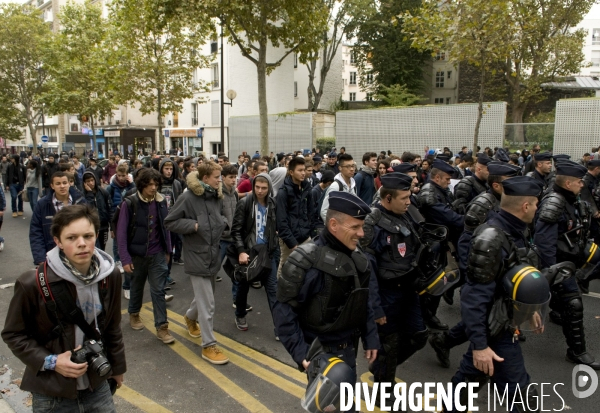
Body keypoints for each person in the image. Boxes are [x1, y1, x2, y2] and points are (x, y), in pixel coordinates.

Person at [2, 205, 126, 411]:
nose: (82, 244)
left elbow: (113, 327)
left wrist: (118, 368)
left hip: (97, 386)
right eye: (71, 238)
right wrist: (51, 361)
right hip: (52, 392)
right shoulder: (31, 283)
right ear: (57, 241)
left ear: (97, 235)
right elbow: (13, 334)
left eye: (88, 236)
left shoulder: (110, 276)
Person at [443, 176, 548, 412]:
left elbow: (512, 279)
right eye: (535, 204)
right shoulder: (491, 239)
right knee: (521, 398)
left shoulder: (516, 231)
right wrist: (480, 345)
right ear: (525, 206)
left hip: (501, 323)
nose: (538, 208)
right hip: (497, 330)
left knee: (466, 386)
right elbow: (473, 298)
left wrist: (528, 311)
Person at [274, 191, 379, 405]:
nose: (361, 234)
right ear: (333, 225)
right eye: (355, 227)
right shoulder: (304, 262)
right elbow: (283, 310)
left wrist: (371, 337)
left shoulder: (356, 257)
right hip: (321, 355)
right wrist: (302, 355)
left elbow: (362, 300)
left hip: (349, 350)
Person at [360, 173, 429, 402]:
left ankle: (381, 367)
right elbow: (367, 271)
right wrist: (375, 309)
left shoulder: (407, 214)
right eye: (404, 198)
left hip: (408, 290)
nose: (409, 201)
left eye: (409, 196)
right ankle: (383, 394)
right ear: (388, 198)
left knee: (419, 335)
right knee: (389, 345)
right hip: (387, 294)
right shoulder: (372, 223)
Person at [533, 162, 600, 369]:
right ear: (568, 182)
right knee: (574, 303)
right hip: (559, 264)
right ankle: (577, 352)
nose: (583, 184)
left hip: (570, 260)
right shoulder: (555, 202)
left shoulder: (571, 199)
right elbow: (544, 243)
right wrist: (553, 273)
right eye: (579, 181)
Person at [164, 161, 230, 365]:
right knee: (208, 303)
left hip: (212, 254)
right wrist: (193, 225)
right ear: (205, 178)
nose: (220, 180)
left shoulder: (216, 196)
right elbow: (169, 221)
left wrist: (223, 223)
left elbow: (222, 217)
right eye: (217, 177)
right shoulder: (188, 197)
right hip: (196, 255)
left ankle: (190, 317)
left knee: (204, 297)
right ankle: (208, 345)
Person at [117, 168, 174, 345]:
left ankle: (162, 327)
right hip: (137, 255)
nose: (153, 188)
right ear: (141, 185)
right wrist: (125, 259)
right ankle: (134, 313)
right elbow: (121, 233)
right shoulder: (130, 203)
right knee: (137, 287)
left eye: (156, 184)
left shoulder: (161, 202)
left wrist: (168, 251)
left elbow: (166, 227)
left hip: (157, 253)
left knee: (158, 290)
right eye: (149, 184)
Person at [417, 159, 464, 330]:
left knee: (439, 282)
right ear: (436, 177)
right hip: (431, 245)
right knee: (432, 284)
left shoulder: (440, 190)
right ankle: (424, 319)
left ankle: (429, 317)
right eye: (446, 179)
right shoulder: (429, 193)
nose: (449, 182)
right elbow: (448, 217)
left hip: (441, 243)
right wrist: (465, 221)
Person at [230, 173, 279, 332]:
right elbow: (236, 230)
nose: (260, 191)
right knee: (243, 287)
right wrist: (241, 251)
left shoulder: (272, 203)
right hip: (249, 252)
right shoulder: (244, 203)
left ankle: (279, 326)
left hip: (267, 253)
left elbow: (274, 228)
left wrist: (274, 246)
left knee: (273, 290)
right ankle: (240, 314)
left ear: (269, 188)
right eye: (257, 187)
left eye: (264, 188)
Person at [30, 172, 87, 266]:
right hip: (52, 254)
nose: (62, 186)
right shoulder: (42, 204)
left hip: (77, 252)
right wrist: (40, 259)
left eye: (64, 183)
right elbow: (36, 232)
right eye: (58, 184)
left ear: (69, 183)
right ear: (52, 186)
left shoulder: (80, 201)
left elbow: (89, 228)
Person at [275, 157, 315, 279]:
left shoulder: (307, 188)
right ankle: (279, 295)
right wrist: (292, 243)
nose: (303, 173)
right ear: (291, 172)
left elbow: (311, 212)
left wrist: (310, 232)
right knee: (286, 269)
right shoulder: (283, 192)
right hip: (289, 240)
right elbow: (281, 221)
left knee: (306, 268)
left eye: (304, 170)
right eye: (300, 170)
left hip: (305, 236)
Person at [107, 164, 136, 282]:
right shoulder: (111, 187)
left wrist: (132, 184)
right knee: (116, 241)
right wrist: (111, 227)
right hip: (116, 216)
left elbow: (135, 195)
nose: (121, 178)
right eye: (119, 175)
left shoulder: (130, 186)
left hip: (128, 216)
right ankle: (117, 260)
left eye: (123, 175)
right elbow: (109, 206)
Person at [319, 153, 357, 221]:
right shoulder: (335, 187)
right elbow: (324, 212)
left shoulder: (353, 185)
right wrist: (336, 228)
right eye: (348, 166)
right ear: (340, 168)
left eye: (353, 166)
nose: (352, 169)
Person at [82, 171, 112, 251]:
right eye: (88, 181)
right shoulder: (83, 195)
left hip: (103, 226)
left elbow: (110, 209)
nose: (91, 183)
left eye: (92, 180)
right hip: (90, 227)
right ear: (84, 183)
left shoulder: (103, 192)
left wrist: (112, 227)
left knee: (102, 249)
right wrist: (89, 194)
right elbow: (88, 208)